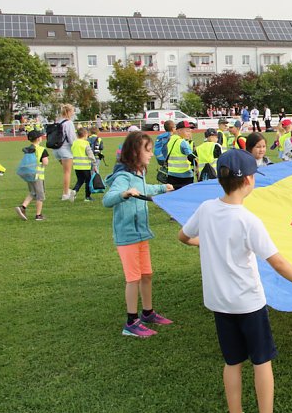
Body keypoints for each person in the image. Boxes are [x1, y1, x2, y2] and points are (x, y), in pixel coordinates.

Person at [177, 149, 292, 413]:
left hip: (219, 303)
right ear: (248, 180)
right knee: (261, 362)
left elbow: (183, 237)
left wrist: (207, 243)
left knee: (232, 361)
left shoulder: (206, 209)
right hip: (249, 304)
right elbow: (278, 262)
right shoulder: (248, 220)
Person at [103, 131, 174, 337]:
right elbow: (108, 200)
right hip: (127, 236)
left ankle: (148, 313)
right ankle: (131, 323)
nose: (151, 154)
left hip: (141, 233)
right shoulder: (123, 177)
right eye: (148, 150)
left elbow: (144, 188)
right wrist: (124, 194)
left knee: (147, 275)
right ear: (135, 152)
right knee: (133, 278)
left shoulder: (138, 175)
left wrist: (162, 188)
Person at [15, 130, 49, 221]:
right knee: (40, 195)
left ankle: (23, 207)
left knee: (33, 192)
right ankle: (38, 215)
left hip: (29, 175)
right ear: (38, 139)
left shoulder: (28, 149)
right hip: (38, 175)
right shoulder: (42, 149)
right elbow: (45, 162)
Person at [165, 120, 197, 189]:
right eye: (187, 131)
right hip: (185, 176)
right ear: (179, 131)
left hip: (171, 173)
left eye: (190, 131)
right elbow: (191, 157)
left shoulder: (170, 140)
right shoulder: (183, 142)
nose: (189, 133)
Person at [55, 104, 76, 201]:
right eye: (72, 111)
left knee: (65, 171)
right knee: (67, 172)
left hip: (56, 149)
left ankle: (66, 189)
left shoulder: (58, 121)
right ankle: (65, 193)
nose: (73, 113)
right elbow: (72, 138)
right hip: (65, 149)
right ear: (69, 112)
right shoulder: (68, 123)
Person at [70, 127, 96, 202]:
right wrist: (94, 163)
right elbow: (90, 154)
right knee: (88, 181)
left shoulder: (74, 143)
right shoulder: (85, 143)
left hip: (76, 166)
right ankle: (87, 196)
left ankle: (74, 190)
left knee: (80, 180)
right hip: (85, 166)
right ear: (85, 134)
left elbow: (72, 151)